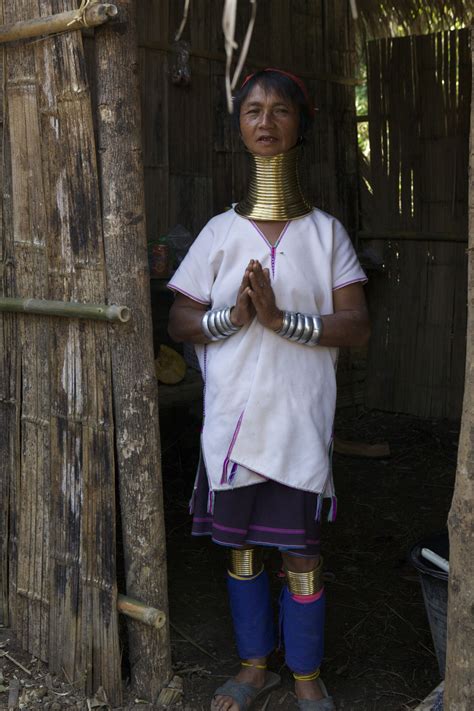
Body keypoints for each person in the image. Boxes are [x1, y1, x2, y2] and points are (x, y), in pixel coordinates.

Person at [168, 68, 370, 711]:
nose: (265, 121)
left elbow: (357, 325)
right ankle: (256, 666)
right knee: (244, 551)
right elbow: (179, 318)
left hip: (300, 419)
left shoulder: (325, 234)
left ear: (298, 127)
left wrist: (285, 322)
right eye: (253, 110)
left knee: (303, 555)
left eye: (280, 110)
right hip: (233, 422)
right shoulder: (220, 233)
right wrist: (233, 318)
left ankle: (306, 673)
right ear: (240, 129)